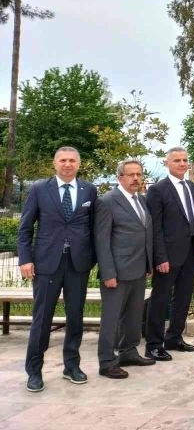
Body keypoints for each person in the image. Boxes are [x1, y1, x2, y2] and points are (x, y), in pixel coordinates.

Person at [17, 146, 98, 392]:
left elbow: (94, 228)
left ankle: (71, 366)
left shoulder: (89, 190)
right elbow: (25, 228)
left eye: (72, 160)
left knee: (75, 317)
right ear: (55, 163)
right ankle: (34, 371)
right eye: (63, 160)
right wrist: (25, 259)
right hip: (46, 264)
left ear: (78, 164)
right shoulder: (39, 189)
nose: (67, 164)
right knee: (42, 319)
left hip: (77, 264)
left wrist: (93, 259)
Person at [145, 147, 194, 361]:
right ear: (167, 164)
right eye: (177, 160)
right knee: (160, 298)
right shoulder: (158, 190)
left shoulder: (191, 186)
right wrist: (159, 257)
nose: (182, 164)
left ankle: (174, 337)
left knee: (183, 296)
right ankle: (154, 345)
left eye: (184, 160)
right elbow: (155, 227)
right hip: (168, 254)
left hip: (190, 250)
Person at [94, 159, 155, 379]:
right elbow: (102, 240)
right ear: (120, 177)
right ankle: (107, 362)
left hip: (138, 270)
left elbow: (144, 232)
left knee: (133, 316)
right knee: (111, 319)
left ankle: (129, 352)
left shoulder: (141, 200)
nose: (136, 178)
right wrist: (108, 272)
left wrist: (148, 263)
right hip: (117, 273)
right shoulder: (107, 202)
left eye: (139, 174)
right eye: (131, 175)